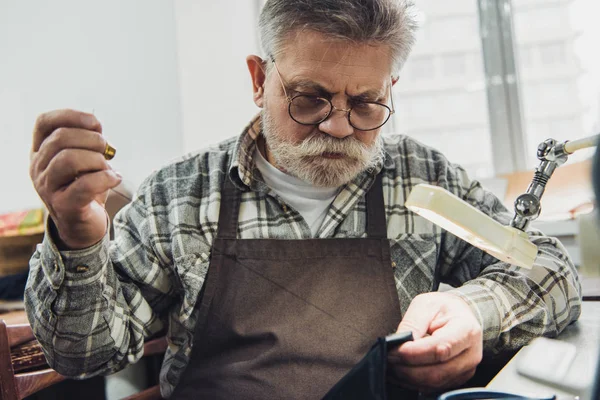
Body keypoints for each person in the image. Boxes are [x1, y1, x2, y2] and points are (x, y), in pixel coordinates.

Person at [25, 0, 581, 398]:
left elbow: (551, 270)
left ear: (391, 90)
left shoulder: (422, 178)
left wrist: (472, 311)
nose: (338, 127)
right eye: (310, 99)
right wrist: (78, 236)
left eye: (365, 104)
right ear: (260, 79)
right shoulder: (181, 196)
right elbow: (87, 356)